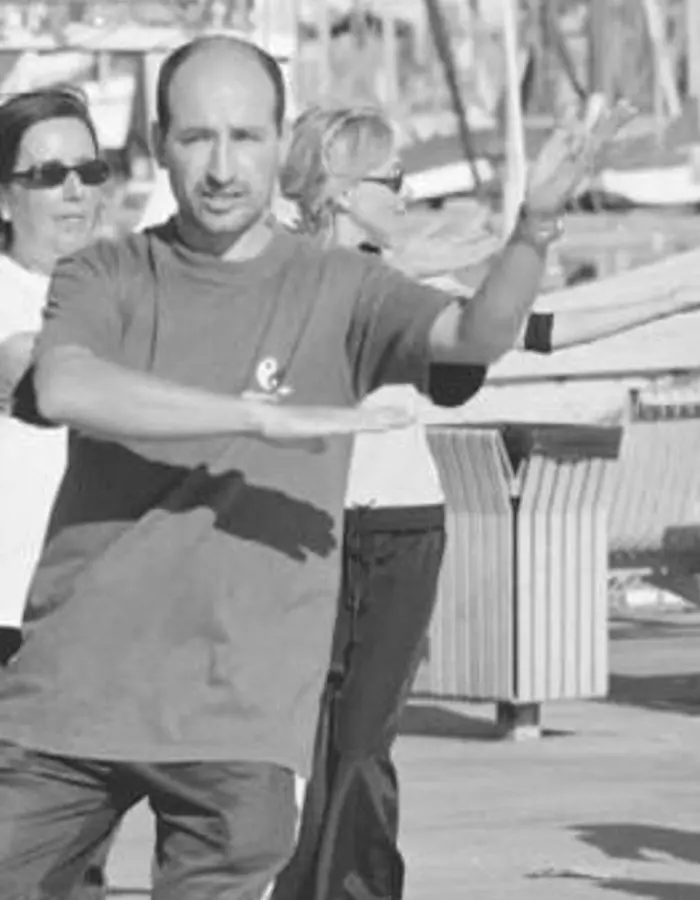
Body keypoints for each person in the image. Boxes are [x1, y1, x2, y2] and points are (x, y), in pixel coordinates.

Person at [0, 35, 624, 898]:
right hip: (70, 702)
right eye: (198, 138)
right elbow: (66, 386)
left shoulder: (344, 289)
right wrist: (257, 415)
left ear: (277, 138)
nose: (223, 168)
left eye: (246, 137)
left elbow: (477, 336)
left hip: (239, 721)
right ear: (158, 141)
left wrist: (534, 228)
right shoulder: (107, 272)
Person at [268, 103, 700, 900]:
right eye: (392, 179)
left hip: (400, 528)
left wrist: (674, 299)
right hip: (305, 529)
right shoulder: (282, 281)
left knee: (362, 738)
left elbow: (538, 330)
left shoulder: (412, 288)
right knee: (300, 736)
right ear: (340, 190)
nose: (408, 194)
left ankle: (356, 889)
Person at [0, 88, 107, 668]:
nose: (74, 191)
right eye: (48, 175)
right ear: (4, 199)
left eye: (89, 172)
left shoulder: (128, 294)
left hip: (102, 613)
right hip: (11, 615)